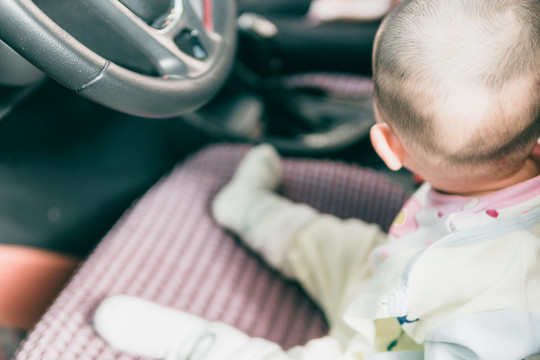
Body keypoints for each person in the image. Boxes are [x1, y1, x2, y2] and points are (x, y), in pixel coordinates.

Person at [93, 0, 540, 358]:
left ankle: (199, 345)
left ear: (388, 148)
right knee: (331, 242)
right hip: (385, 276)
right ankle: (249, 209)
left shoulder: (504, 314)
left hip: (384, 346)